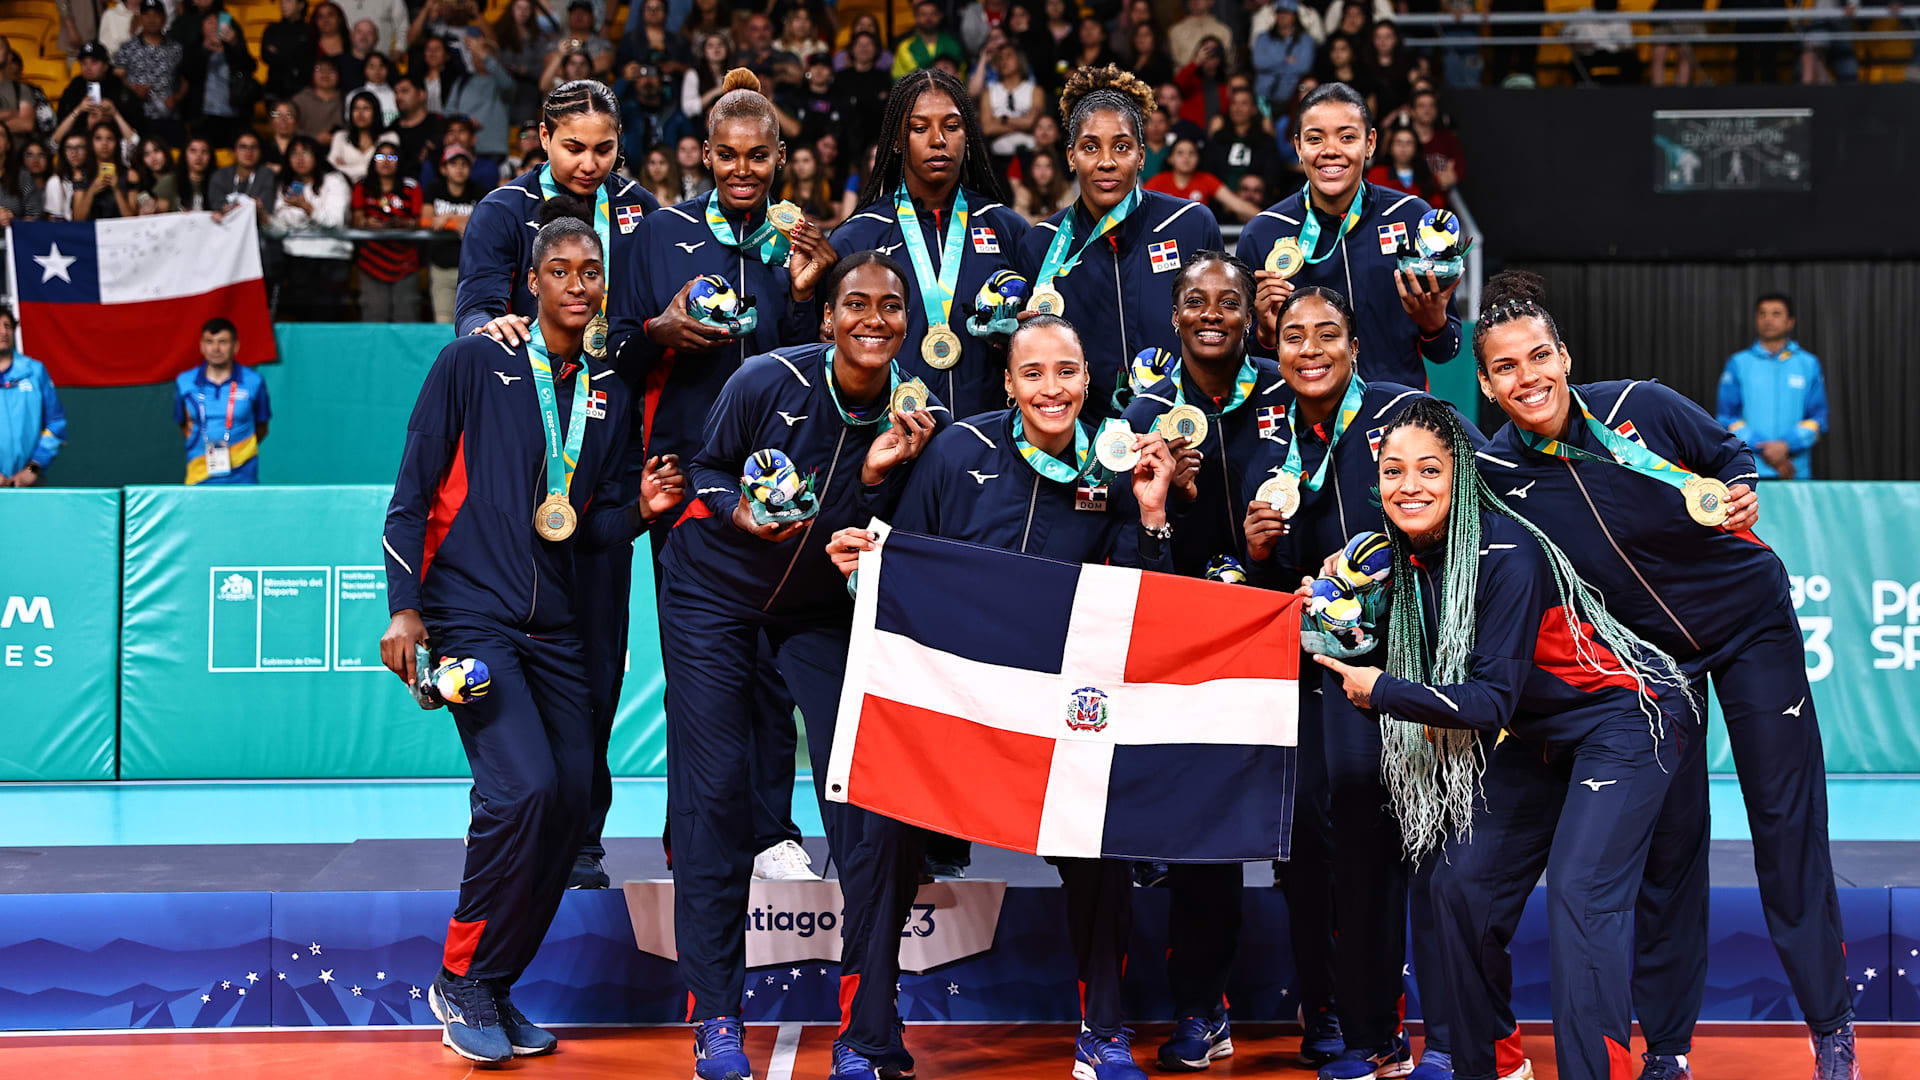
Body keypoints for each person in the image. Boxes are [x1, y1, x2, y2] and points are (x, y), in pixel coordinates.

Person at [1469, 270, 1858, 1080]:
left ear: (1564, 355)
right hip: (1651, 668)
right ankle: (1671, 1050)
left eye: (1538, 356)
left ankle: (1832, 1027)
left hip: (1751, 627)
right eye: (1506, 367)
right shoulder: (1496, 478)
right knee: (1669, 852)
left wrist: (1743, 490)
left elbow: (1730, 455)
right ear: (1485, 382)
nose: (1527, 377)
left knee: (1786, 831)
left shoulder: (1639, 406)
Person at [827, 314, 1176, 1080]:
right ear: (1010, 382)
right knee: (880, 839)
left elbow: (1140, 605)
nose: (1052, 388)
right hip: (949, 702)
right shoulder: (961, 451)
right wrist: (860, 559)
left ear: (1089, 381)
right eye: (1034, 373)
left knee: (1098, 843)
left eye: (1067, 372)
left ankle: (1103, 1032)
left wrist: (1151, 518)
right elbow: (897, 558)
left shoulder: (1116, 469)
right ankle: (868, 1036)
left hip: (1054, 712)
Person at [379, 203, 685, 1067]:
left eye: (591, 273)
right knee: (518, 792)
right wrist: (407, 608)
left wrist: (641, 511)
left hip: (555, 625)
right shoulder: (473, 362)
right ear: (532, 282)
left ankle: (497, 982)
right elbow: (411, 492)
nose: (579, 286)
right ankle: (458, 976)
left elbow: (584, 527)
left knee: (569, 803)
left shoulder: (610, 391)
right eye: (561, 272)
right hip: (472, 616)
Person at [1315, 396, 1695, 1080]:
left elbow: (1486, 702)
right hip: (1540, 733)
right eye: (1393, 471)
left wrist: (1380, 690)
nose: (1410, 486)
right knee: (1455, 886)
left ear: (1460, 477)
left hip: (1627, 720)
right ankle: (1491, 1060)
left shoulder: (1506, 550)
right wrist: (1339, 620)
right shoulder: (1397, 563)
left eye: (1429, 470)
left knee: (1580, 897)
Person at [661, 252, 942, 1080]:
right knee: (714, 795)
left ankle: (868, 1024)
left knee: (862, 792)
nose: (873, 320)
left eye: (890, 308)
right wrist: (737, 509)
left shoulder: (916, 416)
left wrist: (874, 475)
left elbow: (892, 531)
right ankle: (716, 1016)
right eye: (856, 303)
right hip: (713, 597)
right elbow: (705, 471)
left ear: (908, 324)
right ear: (827, 317)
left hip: (819, 610)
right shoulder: (764, 378)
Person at [611, 68, 839, 889]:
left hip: (781, 486)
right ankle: (695, 835)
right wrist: (658, 330)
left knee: (774, 665)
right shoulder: (658, 235)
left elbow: (822, 365)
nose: (743, 171)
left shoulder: (800, 242)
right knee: (701, 676)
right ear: (704, 154)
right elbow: (617, 357)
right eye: (727, 156)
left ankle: (775, 830)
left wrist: (811, 294)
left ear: (780, 156)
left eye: (758, 156)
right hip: (688, 489)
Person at [1241, 284, 1476, 1079]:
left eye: (1327, 334)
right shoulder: (1265, 428)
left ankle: (1452, 1039)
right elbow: (1246, 572)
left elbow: (1480, 492)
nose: (1309, 348)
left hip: (1422, 667)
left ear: (1354, 346)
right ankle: (1377, 1037)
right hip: (1328, 681)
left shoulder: (1404, 413)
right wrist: (1259, 551)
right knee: (1359, 851)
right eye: (1294, 335)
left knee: (1437, 855)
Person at [1109, 252, 1325, 1072]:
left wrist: (1280, 551)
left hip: (1289, 633)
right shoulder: (1144, 411)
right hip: (1193, 645)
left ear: (1250, 315)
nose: (1211, 313)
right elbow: (1129, 541)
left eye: (1228, 301)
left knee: (1311, 830)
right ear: (1173, 317)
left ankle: (1330, 1009)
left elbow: (1323, 497)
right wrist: (1176, 509)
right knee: (1201, 836)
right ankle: (1202, 1010)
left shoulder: (1287, 391)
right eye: (1195, 301)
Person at [455, 79, 660, 890]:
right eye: (573, 146)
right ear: (542, 138)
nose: (589, 163)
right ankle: (509, 824)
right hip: (523, 460)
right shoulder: (503, 213)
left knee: (600, 661)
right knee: (513, 650)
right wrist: (488, 324)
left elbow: (641, 318)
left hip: (604, 449)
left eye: (604, 148)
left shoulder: (640, 211)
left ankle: (582, 839)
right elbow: (473, 309)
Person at [1015, 65, 1223, 422]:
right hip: (1083, 439)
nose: (1107, 162)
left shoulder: (1190, 223)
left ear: (1141, 155)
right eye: (1090, 147)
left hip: (1183, 427)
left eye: (1122, 147)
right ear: (1070, 157)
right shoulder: (1042, 244)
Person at [833, 68, 1029, 422]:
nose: (938, 139)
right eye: (920, 128)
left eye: (952, 126)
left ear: (968, 135)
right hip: (890, 441)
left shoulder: (1007, 228)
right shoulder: (858, 237)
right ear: (896, 140)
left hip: (992, 445)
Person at [1238, 82, 1460, 393]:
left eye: (1347, 137)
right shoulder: (1263, 232)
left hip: (1397, 422)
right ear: (1298, 146)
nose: (1331, 150)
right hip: (1304, 426)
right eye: (1315, 139)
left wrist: (1433, 322)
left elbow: (1447, 350)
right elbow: (1245, 364)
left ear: (1369, 143)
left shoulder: (1411, 217)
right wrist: (1264, 332)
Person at [1716, 292, 1828, 480]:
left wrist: (1786, 446)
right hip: (1747, 470)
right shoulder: (1738, 363)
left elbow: (1818, 418)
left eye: (1776, 314)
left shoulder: (1808, 364)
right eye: (1762, 314)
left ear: (1790, 321)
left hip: (1793, 471)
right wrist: (1767, 450)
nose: (1768, 319)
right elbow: (1726, 417)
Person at [173, 317, 272, 485]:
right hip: (200, 475)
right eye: (209, 342)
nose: (216, 348)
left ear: (235, 346)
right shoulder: (185, 381)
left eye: (223, 342)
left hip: (243, 476)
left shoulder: (254, 381)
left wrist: (238, 449)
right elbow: (183, 424)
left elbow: (262, 427)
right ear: (202, 346)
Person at [271, 134, 355, 320]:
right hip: (296, 257)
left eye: (306, 152)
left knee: (328, 319)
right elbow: (282, 219)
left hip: (331, 258)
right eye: (294, 153)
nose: (300, 158)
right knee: (302, 319)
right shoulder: (286, 184)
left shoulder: (335, 181)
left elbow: (334, 220)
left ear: (317, 156)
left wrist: (306, 208)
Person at [352, 134, 423, 320]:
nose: (386, 162)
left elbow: (419, 221)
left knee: (406, 317)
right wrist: (367, 223)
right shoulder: (362, 185)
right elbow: (356, 218)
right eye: (380, 157)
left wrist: (402, 224)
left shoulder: (411, 187)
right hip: (372, 264)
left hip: (405, 264)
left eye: (392, 157)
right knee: (374, 317)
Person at [0, 311, 66, 488]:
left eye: (7, 326)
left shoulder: (35, 371)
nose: (3, 332)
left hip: (28, 485)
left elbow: (56, 423)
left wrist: (33, 469)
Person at [179, 10, 257, 148]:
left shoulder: (234, 46)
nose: (214, 25)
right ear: (201, 26)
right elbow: (187, 73)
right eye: (209, 22)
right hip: (203, 117)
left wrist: (235, 45)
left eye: (217, 22)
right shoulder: (195, 47)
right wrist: (204, 49)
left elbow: (250, 66)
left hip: (234, 115)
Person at [421, 143, 479, 322]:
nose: (459, 169)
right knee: (443, 322)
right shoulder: (434, 189)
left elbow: (485, 223)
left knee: (471, 323)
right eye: (454, 164)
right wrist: (460, 222)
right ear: (444, 168)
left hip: (472, 270)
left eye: (464, 164)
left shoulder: (479, 191)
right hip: (442, 268)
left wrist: (449, 218)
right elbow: (426, 221)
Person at [1145, 135, 1261, 223]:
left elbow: (1236, 204)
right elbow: (1138, 207)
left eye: (1192, 153)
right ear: (1170, 159)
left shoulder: (1206, 180)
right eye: (1180, 153)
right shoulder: (1158, 181)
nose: (1186, 157)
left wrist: (1267, 218)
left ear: (1198, 159)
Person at [115, 1, 186, 140]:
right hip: (137, 115)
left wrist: (176, 98)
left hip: (168, 117)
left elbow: (186, 80)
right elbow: (116, 79)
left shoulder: (176, 48)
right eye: (146, 15)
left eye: (156, 15)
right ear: (140, 18)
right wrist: (132, 89)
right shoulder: (127, 47)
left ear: (164, 18)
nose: (151, 19)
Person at [1201, 86, 1285, 194]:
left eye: (1244, 103)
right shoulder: (1219, 138)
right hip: (1220, 198)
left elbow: (1272, 175)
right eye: (1234, 103)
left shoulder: (1265, 141)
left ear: (1254, 109)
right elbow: (1208, 171)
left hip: (1254, 198)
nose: (1237, 108)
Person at [60, 42, 145, 135]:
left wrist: (114, 113)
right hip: (80, 141)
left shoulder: (119, 88)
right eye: (83, 63)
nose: (88, 67)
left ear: (106, 66)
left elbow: (138, 127)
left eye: (94, 62)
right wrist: (79, 110)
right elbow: (60, 127)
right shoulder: (74, 88)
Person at [979, 43, 1040, 170]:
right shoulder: (988, 93)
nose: (1003, 61)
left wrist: (1002, 120)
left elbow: (1031, 123)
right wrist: (1022, 124)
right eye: (1000, 58)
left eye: (1008, 56)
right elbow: (987, 129)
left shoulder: (1035, 91)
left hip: (1030, 156)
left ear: (1019, 59)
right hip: (999, 159)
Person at [1254, 0, 1316, 115]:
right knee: (1264, 128)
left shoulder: (1306, 40)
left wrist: (1271, 65)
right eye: (1279, 12)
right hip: (1263, 97)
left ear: (1295, 15)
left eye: (1287, 13)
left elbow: (1303, 67)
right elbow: (1259, 62)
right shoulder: (1262, 38)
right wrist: (1285, 60)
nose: (1282, 16)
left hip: (1292, 98)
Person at [1365, 125, 1440, 203]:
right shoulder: (1376, 175)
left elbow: (1436, 207)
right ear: (1390, 148)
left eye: (1409, 143)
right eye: (1398, 142)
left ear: (1416, 148)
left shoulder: (1427, 177)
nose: (1403, 147)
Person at [209, 128, 276, 214]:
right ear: (234, 152)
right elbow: (216, 206)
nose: (249, 152)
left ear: (260, 152)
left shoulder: (266, 174)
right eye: (243, 147)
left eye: (253, 147)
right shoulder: (220, 175)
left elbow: (266, 207)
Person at [892, 0, 964, 80]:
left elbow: (962, 76)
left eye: (933, 14)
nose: (928, 18)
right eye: (923, 14)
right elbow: (897, 78)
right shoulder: (905, 47)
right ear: (916, 17)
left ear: (940, 16)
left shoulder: (952, 44)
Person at [263, 0, 316, 100]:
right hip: (274, 91)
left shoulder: (309, 30)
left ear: (300, 5)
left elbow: (307, 61)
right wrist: (293, 52)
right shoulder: (272, 29)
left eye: (288, 1)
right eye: (281, 2)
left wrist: (279, 52)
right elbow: (266, 56)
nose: (283, 5)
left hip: (301, 92)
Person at [329, 89, 385, 180]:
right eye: (356, 108)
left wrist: (343, 168)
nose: (360, 114)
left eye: (366, 108)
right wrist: (371, 167)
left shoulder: (388, 137)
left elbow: (389, 168)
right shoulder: (340, 136)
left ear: (375, 112)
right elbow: (331, 169)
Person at [1012, 145, 1071, 224]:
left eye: (1048, 166)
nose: (1043, 172)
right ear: (1032, 170)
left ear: (1054, 170)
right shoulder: (1025, 190)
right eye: (1038, 166)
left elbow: (1072, 216)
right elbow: (1017, 219)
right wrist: (1041, 219)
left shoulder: (1063, 188)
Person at [1169, 0, 1234, 67]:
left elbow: (1228, 64)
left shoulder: (1223, 31)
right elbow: (1176, 65)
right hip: (1186, 76)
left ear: (1211, 1)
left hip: (1215, 76)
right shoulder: (1176, 31)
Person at [293, 55, 344, 140]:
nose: (325, 74)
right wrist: (315, 138)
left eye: (331, 70)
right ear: (312, 73)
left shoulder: (346, 99)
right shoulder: (299, 100)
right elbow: (291, 129)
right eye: (319, 69)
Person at [0, 127, 43, 222]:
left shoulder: (22, 177)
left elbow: (35, 215)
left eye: (1, 135)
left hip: (11, 235)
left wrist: (13, 221)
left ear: (8, 144)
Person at [172, 134, 215, 210]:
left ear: (210, 156)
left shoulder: (219, 182)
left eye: (204, 151)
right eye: (193, 151)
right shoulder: (171, 180)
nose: (199, 156)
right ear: (184, 155)